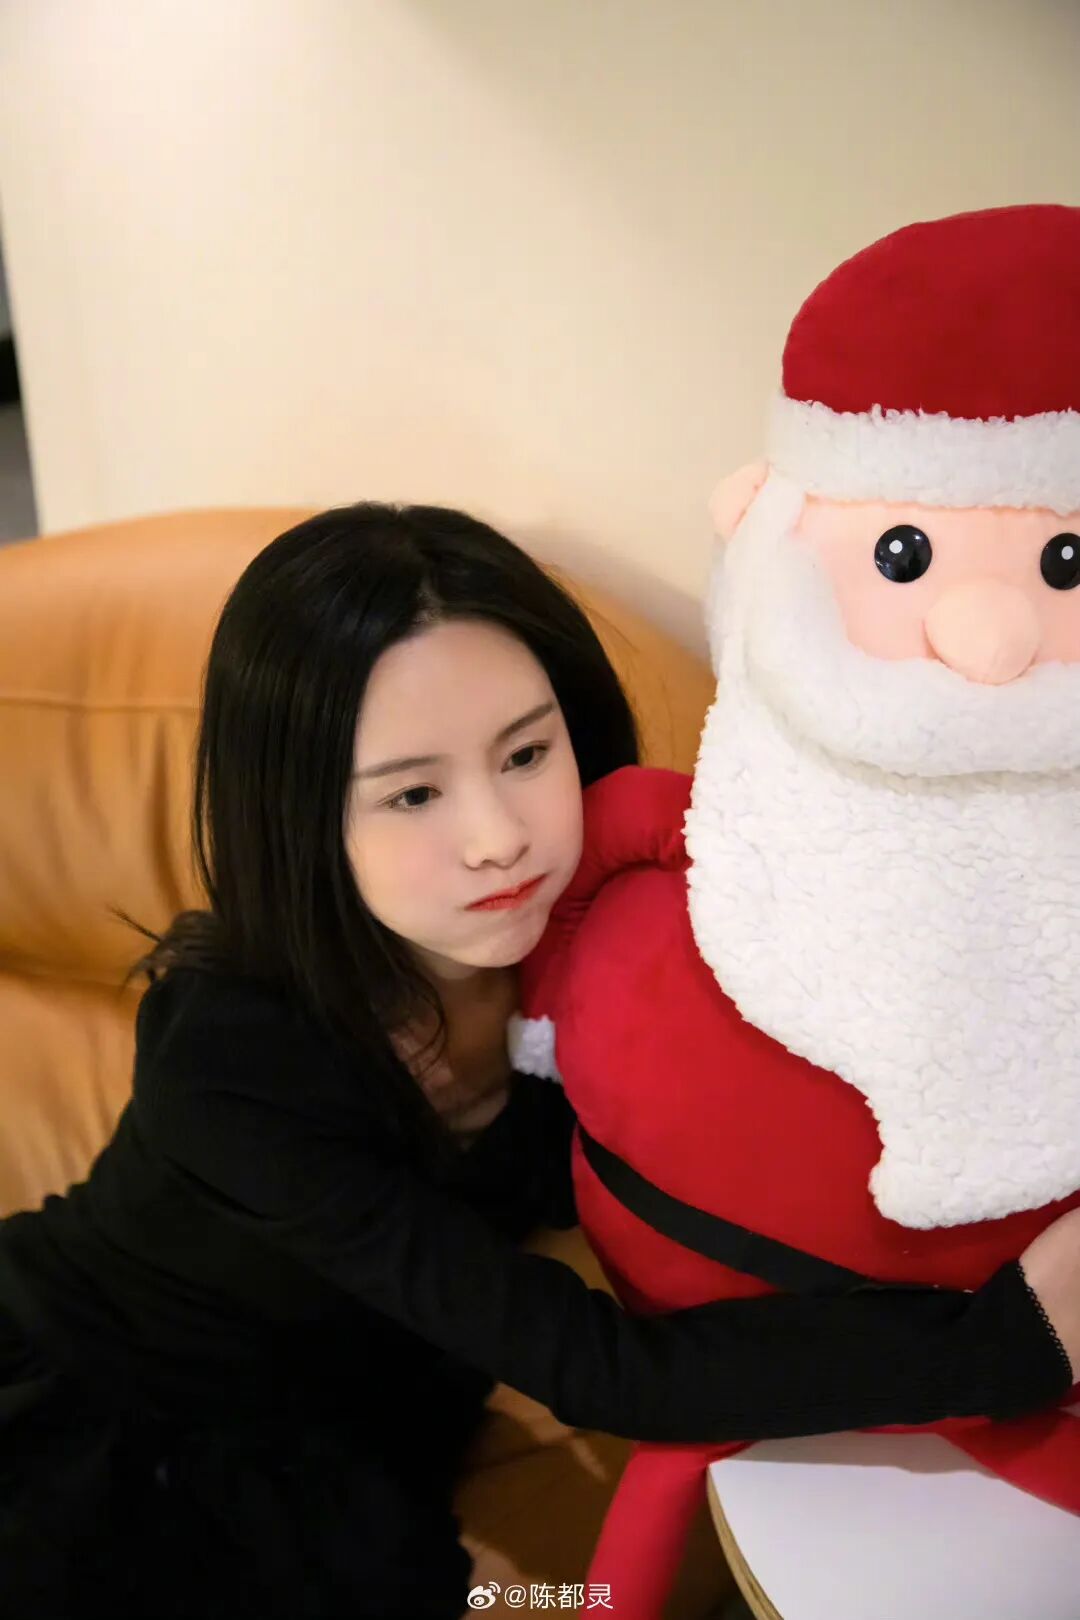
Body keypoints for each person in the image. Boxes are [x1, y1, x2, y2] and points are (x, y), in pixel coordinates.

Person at [0, 502, 1076, 1620]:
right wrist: (1004, 1344)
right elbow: (597, 1367)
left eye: (525, 754)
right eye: (413, 793)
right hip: (100, 1409)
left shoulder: (623, 956)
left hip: (362, 1424)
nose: (498, 837)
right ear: (303, 817)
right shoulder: (229, 1056)